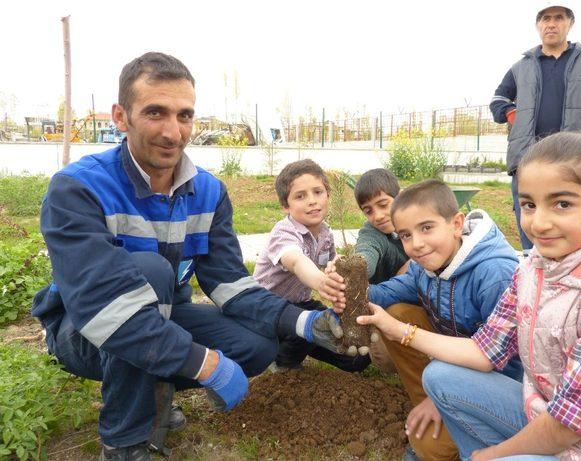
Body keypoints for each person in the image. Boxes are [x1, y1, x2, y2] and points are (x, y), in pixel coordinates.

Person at [31, 52, 353, 461]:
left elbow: (229, 283)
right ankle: (125, 441)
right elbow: (106, 310)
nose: (173, 131)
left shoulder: (208, 192)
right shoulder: (78, 188)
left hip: (167, 316)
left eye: (184, 115)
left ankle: (155, 386)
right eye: (155, 112)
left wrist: (305, 322)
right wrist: (205, 365)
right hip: (83, 327)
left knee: (256, 347)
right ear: (120, 116)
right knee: (149, 273)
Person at [359, 132, 581, 460]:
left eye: (562, 203)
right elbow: (485, 351)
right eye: (529, 205)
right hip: (539, 408)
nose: (539, 222)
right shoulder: (534, 269)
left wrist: (489, 455)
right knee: (439, 375)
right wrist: (396, 330)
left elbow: (571, 425)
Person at [365, 179, 522, 461]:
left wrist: (444, 397)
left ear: (457, 223)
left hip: (503, 379)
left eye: (426, 228)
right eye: (406, 235)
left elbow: (509, 364)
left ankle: (447, 409)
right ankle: (425, 400)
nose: (417, 244)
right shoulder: (424, 266)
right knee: (400, 312)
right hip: (454, 361)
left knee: (430, 449)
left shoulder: (494, 274)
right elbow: (384, 294)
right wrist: (346, 288)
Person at [490, 2, 581, 254]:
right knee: (533, 224)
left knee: (576, 227)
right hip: (528, 161)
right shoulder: (521, 67)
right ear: (538, 25)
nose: (551, 23)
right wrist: (509, 112)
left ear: (570, 23)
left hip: (575, 162)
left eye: (558, 18)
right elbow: (497, 100)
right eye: (545, 18)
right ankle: (534, 274)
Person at [253, 159, 371, 371]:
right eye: (300, 196)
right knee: (307, 320)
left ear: (328, 194)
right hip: (266, 309)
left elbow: (331, 265)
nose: (312, 201)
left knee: (355, 359)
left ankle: (303, 343)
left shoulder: (325, 232)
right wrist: (321, 282)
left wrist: (342, 270)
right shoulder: (284, 232)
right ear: (285, 206)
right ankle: (281, 361)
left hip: (301, 303)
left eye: (318, 192)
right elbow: (298, 261)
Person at [352, 168, 410, 374]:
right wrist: (352, 268)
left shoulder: (418, 223)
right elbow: (365, 254)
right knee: (386, 362)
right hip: (384, 308)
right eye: (368, 211)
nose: (377, 216)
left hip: (420, 302)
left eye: (383, 205)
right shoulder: (372, 233)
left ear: (400, 197)